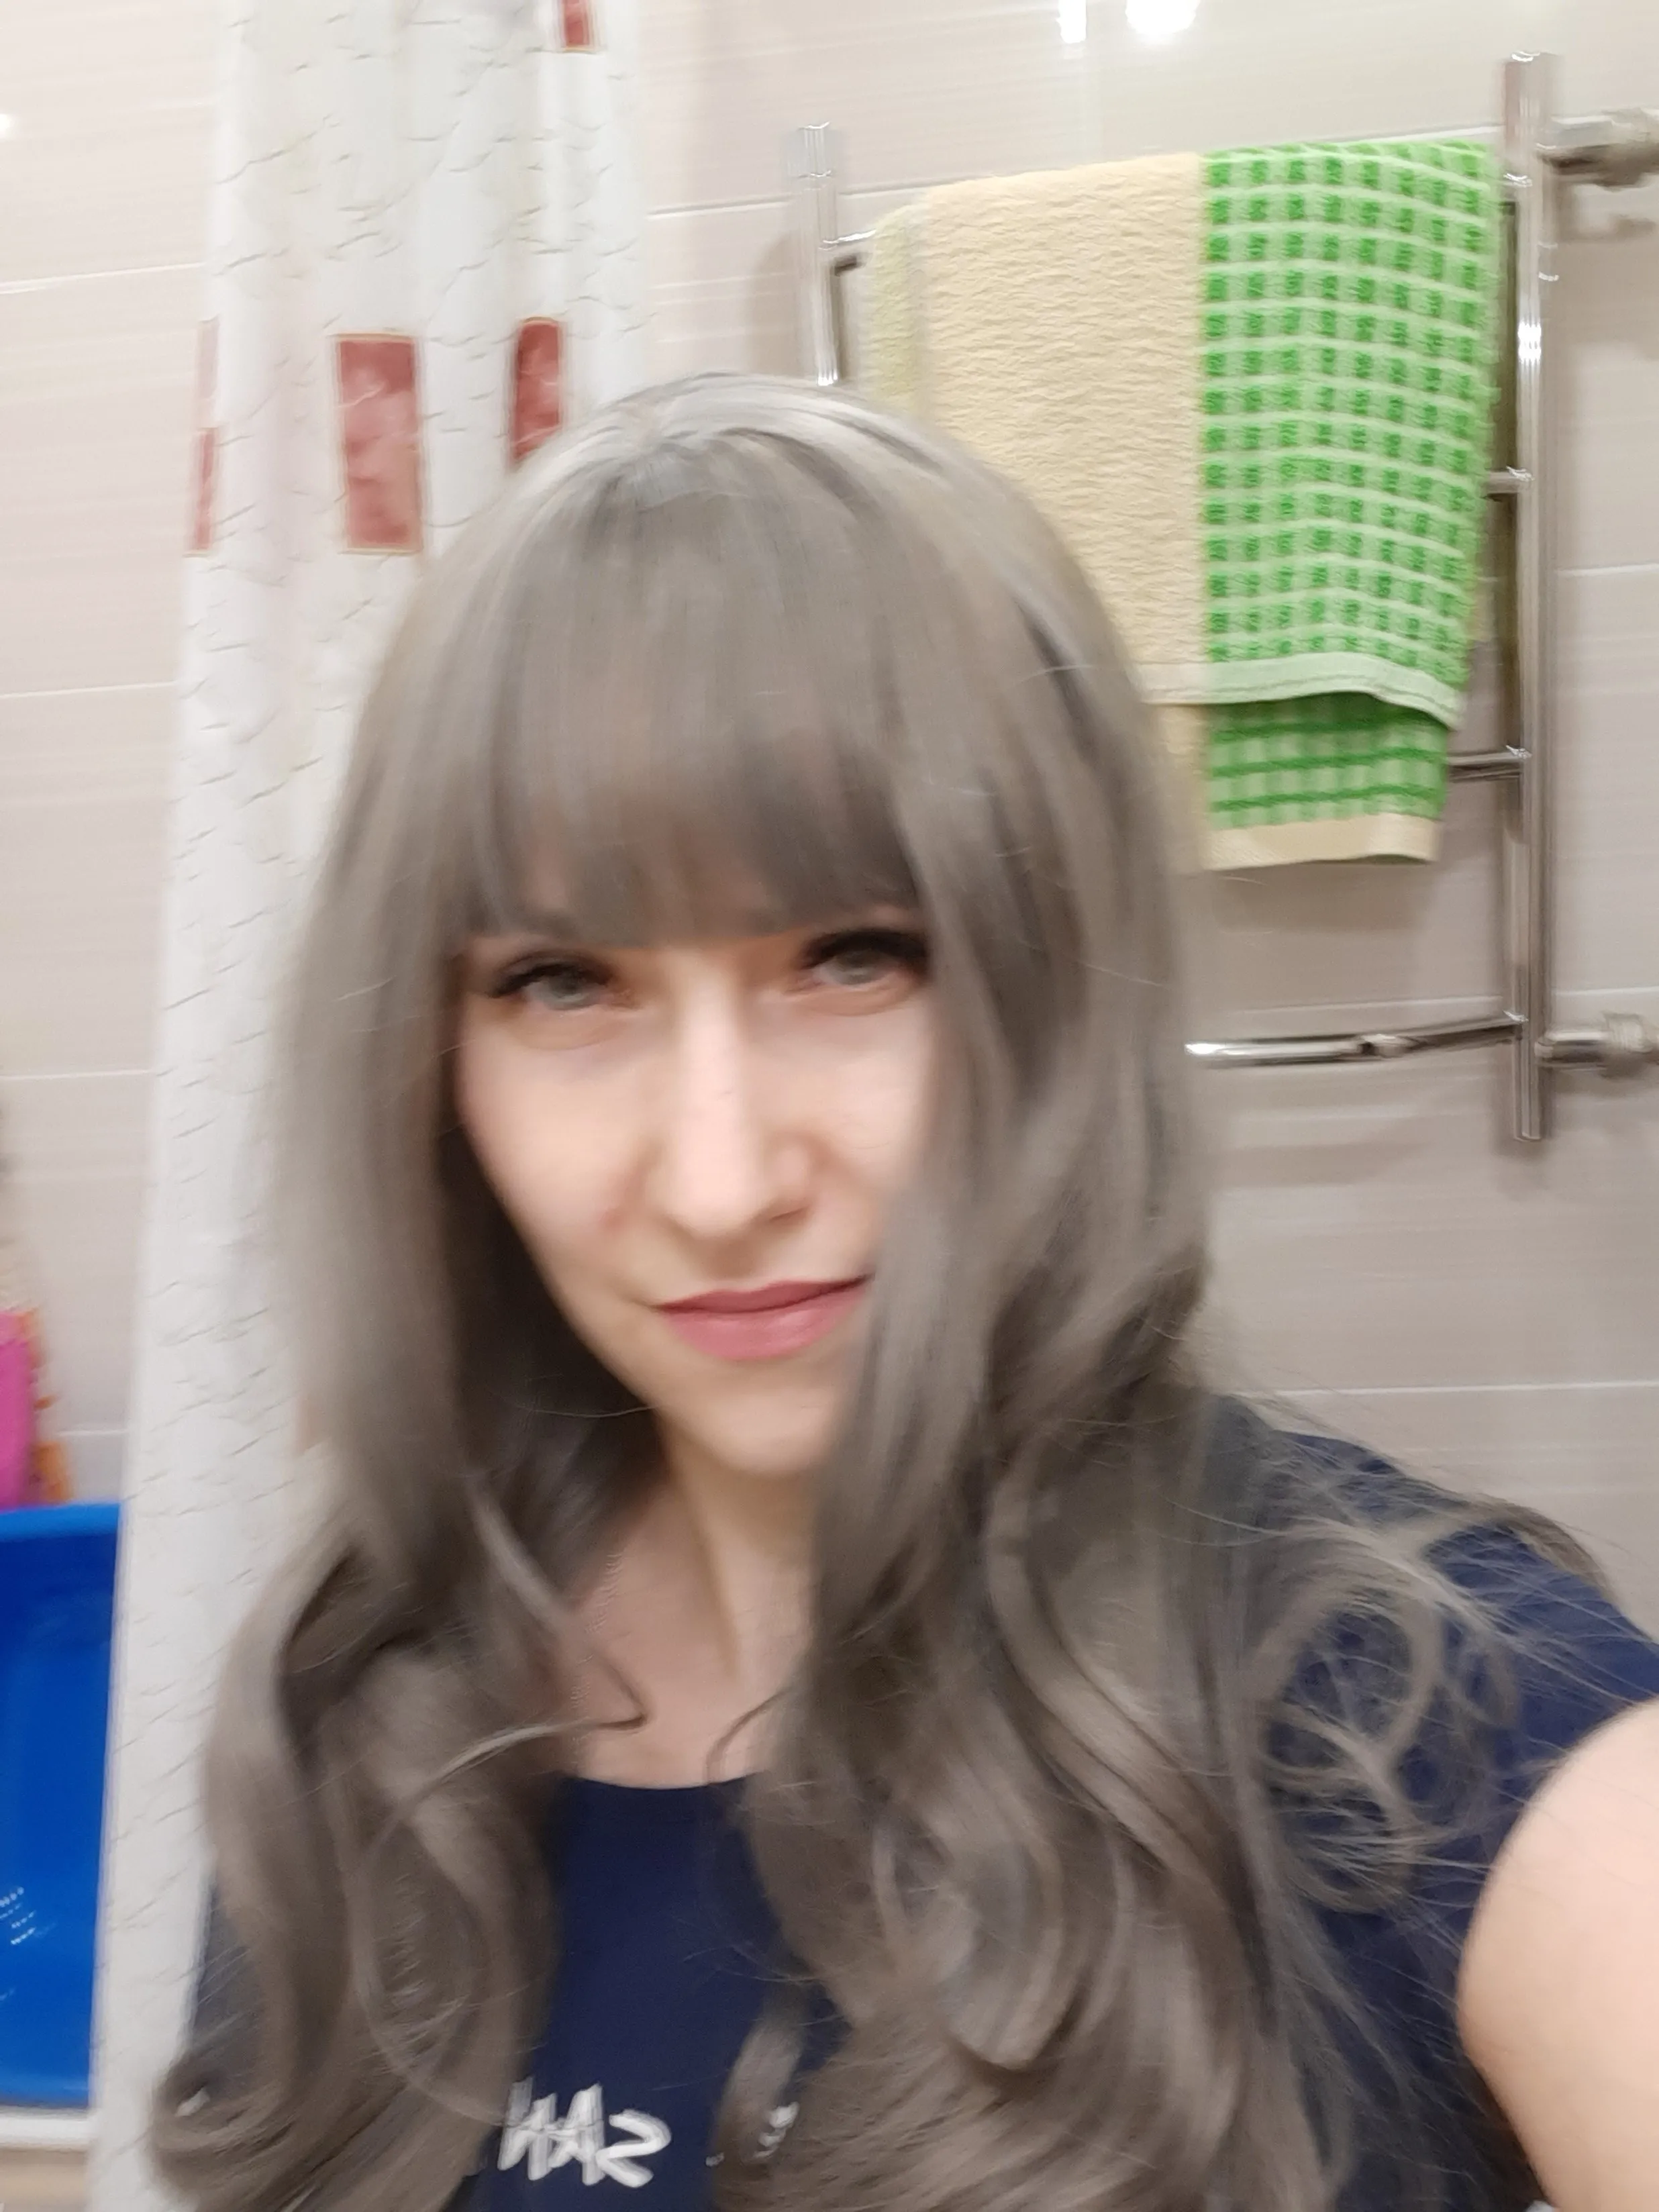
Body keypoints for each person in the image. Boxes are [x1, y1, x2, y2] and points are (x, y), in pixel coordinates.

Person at [155, 375, 1659, 2212]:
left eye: (855, 958)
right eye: (565, 983)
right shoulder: (367, 1722)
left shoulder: (1450, 1742)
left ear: (1057, 983)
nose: (719, 1182)